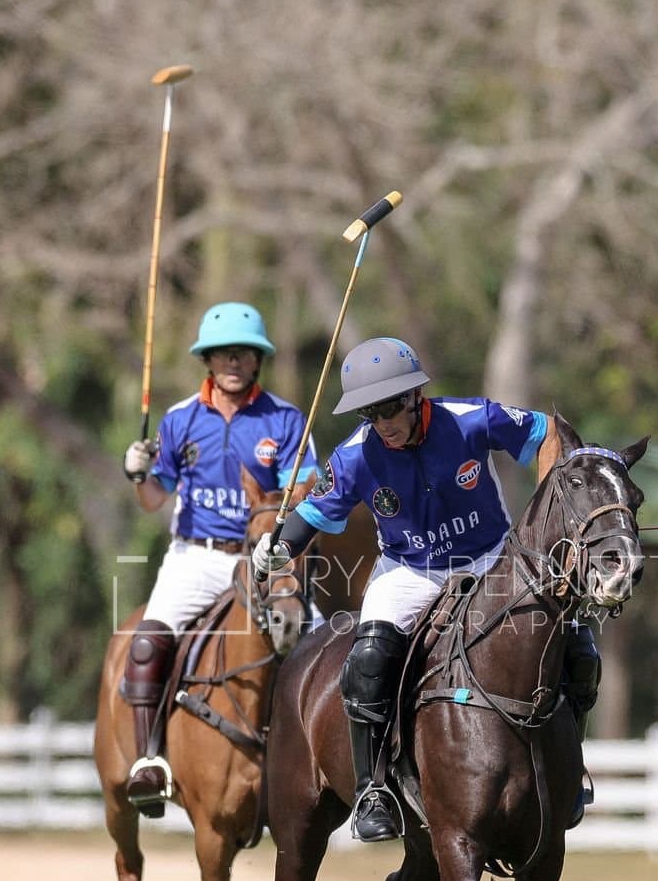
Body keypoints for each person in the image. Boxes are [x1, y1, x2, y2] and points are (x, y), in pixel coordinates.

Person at [252, 336, 601, 843]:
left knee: (578, 646)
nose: (385, 421)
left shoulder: (470, 419)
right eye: (372, 411)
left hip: (492, 559)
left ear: (416, 396)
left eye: (392, 405)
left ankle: (569, 770)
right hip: (408, 569)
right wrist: (278, 548)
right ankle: (374, 788)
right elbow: (311, 512)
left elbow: (549, 433)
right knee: (368, 658)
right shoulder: (354, 456)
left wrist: (548, 507)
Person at [120, 301, 318, 816]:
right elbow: (153, 500)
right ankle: (150, 760)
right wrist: (139, 472)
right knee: (146, 643)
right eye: (223, 353)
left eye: (244, 353)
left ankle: (322, 762)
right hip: (195, 556)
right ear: (207, 360)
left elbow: (306, 489)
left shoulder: (285, 419)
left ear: (257, 360)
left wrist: (290, 504)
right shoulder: (180, 420)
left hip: (262, 559)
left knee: (315, 647)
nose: (233, 361)